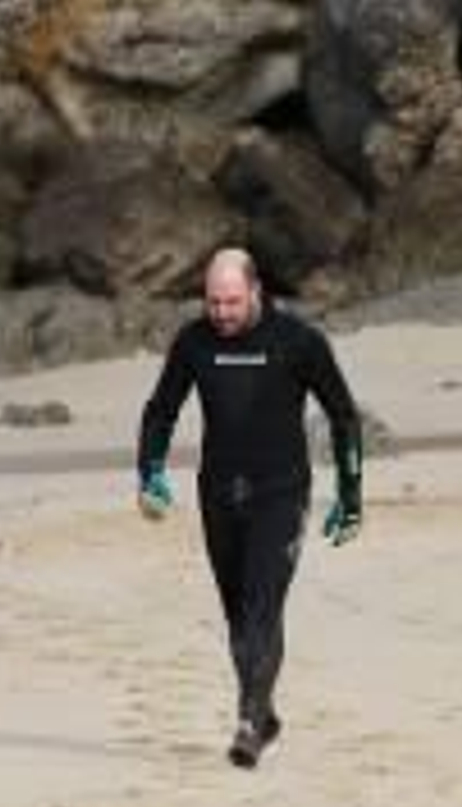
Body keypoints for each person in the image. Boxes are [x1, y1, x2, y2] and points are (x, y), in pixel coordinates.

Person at [137, 248, 363, 769]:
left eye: (232, 302)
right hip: (218, 492)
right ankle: (265, 714)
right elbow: (160, 411)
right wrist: (149, 473)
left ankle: (247, 720)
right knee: (240, 618)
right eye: (213, 302)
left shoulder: (299, 342)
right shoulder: (193, 342)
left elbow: (343, 416)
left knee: (262, 605)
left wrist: (351, 496)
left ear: (256, 290)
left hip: (281, 492)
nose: (222, 313)